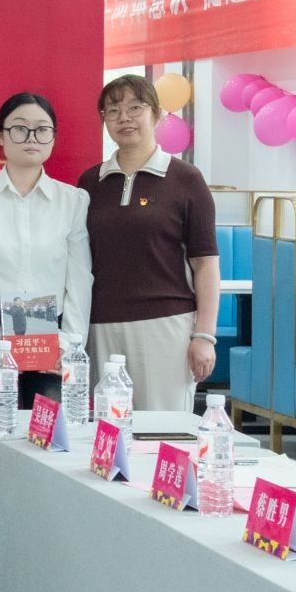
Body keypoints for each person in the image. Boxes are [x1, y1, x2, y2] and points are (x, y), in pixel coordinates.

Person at [77, 74, 219, 413]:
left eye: (135, 108)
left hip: (166, 326)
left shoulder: (186, 179)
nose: (124, 118)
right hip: (101, 325)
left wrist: (204, 336)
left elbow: (205, 264)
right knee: (108, 429)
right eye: (113, 111)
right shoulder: (90, 182)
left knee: (162, 429)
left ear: (157, 114)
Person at [0, 92, 92, 408]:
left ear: (53, 137)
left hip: (53, 342)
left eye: (42, 129)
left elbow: (80, 280)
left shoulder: (73, 201)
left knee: (49, 432)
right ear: (0, 136)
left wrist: (68, 347)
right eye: (19, 128)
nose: (31, 137)